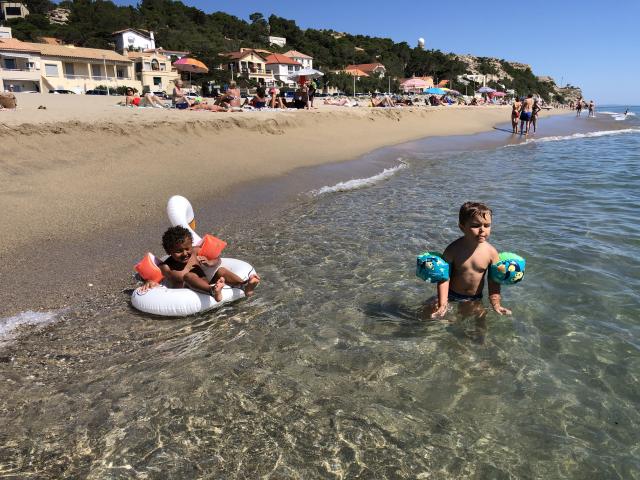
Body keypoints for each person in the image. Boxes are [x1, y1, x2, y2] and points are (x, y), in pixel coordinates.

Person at [430, 202, 511, 319]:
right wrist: (443, 304)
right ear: (462, 227)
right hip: (451, 294)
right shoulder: (453, 250)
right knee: (430, 313)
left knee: (479, 323)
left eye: (487, 225)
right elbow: (443, 278)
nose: (482, 230)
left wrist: (496, 304)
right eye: (475, 225)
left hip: (474, 297)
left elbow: (493, 281)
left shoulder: (491, 253)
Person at [141, 226, 260, 298]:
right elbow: (156, 278)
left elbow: (218, 259)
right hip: (187, 292)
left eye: (187, 248)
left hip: (207, 283)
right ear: (169, 251)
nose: (185, 253)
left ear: (191, 245)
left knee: (221, 271)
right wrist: (149, 282)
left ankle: (244, 284)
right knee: (188, 276)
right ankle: (213, 291)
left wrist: (210, 263)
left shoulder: (196, 251)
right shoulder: (166, 266)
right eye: (178, 251)